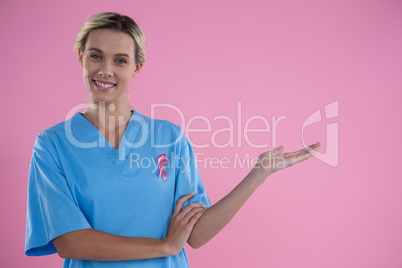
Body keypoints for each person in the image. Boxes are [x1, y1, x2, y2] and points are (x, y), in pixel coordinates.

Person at [25, 12, 321, 268]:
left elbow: (196, 234)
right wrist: (165, 246)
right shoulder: (52, 145)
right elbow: (70, 241)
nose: (106, 70)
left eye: (120, 60)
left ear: (136, 68)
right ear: (81, 57)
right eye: (96, 55)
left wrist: (259, 173)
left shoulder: (169, 137)